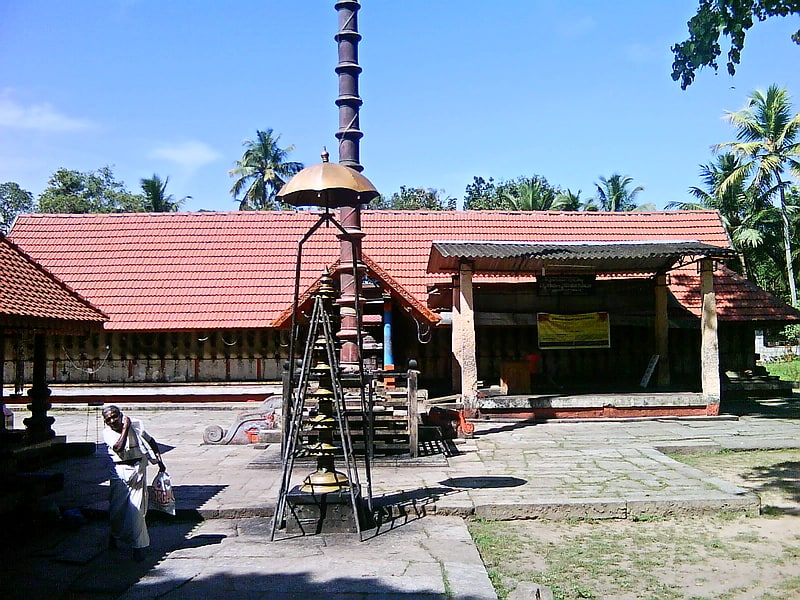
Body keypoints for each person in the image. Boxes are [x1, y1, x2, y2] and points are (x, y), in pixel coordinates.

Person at [102, 405, 165, 561]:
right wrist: (125, 428)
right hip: (119, 472)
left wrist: (159, 461)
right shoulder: (107, 433)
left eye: (114, 417)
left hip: (138, 469)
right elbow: (118, 447)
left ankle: (138, 547)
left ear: (121, 415)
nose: (112, 421)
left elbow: (151, 441)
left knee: (137, 510)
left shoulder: (136, 425)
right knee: (117, 510)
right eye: (108, 419)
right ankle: (115, 534)